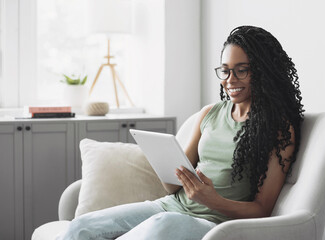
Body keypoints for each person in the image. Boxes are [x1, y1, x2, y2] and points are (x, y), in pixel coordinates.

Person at [56, 25, 304, 240]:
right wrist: (168, 165)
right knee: (82, 226)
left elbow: (262, 209)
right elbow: (170, 188)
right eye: (225, 70)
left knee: (160, 226)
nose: (230, 79)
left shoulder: (279, 129)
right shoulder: (209, 114)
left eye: (241, 70)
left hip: (213, 223)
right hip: (169, 206)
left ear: (262, 71)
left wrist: (212, 200)